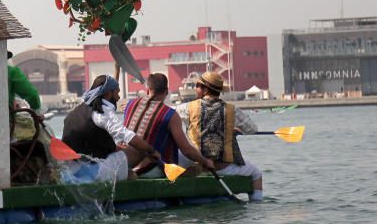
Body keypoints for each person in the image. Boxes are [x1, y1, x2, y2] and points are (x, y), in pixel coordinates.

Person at [176, 71, 264, 201]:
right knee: (257, 174)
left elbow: (169, 118)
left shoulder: (185, 108)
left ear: (205, 89)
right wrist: (230, 130)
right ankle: (257, 203)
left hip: (195, 163)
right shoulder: (232, 110)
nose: (195, 89)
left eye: (197, 85)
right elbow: (252, 129)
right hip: (222, 168)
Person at [61, 74, 159, 181]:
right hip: (91, 171)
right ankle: (130, 173)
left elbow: (93, 140)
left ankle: (126, 173)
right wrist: (151, 150)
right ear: (108, 94)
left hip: (70, 169)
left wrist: (117, 147)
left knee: (122, 150)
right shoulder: (102, 112)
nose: (118, 97)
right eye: (117, 92)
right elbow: (128, 136)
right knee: (138, 152)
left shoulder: (77, 111)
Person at [125, 72, 215, 177]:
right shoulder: (170, 115)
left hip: (127, 164)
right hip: (150, 168)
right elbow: (186, 150)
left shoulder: (130, 104)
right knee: (196, 158)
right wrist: (205, 161)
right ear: (166, 92)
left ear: (148, 90)